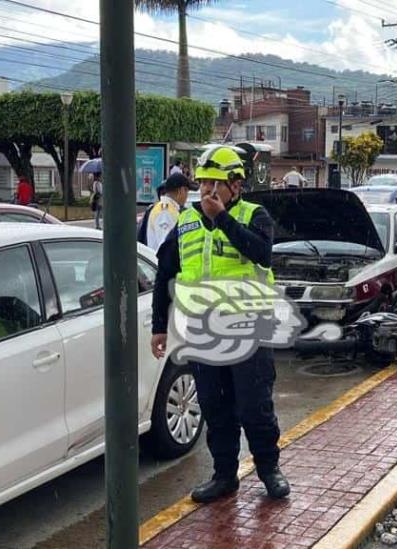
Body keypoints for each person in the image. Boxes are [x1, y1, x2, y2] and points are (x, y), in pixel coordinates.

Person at [151, 146, 289, 502]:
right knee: (215, 408)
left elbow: (262, 253)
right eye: (204, 183)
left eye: (217, 183)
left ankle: (269, 470)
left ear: (236, 186)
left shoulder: (254, 215)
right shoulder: (185, 223)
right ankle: (224, 475)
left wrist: (224, 218)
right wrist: (158, 327)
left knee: (254, 407)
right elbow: (164, 274)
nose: (208, 190)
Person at [143, 174, 194, 251]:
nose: (187, 196)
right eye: (186, 191)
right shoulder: (164, 212)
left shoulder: (169, 209)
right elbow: (165, 244)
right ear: (181, 191)